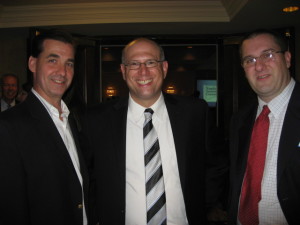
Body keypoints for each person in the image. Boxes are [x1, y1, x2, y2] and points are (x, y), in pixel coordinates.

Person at [81, 37, 226, 225]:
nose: (143, 71)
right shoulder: (96, 120)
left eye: (150, 62)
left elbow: (216, 164)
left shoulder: (195, 112)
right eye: (134, 64)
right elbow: (87, 178)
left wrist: (201, 205)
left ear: (164, 68)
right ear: (123, 71)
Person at [0, 29, 89, 225]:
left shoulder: (71, 119)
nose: (62, 72)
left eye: (69, 64)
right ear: (32, 63)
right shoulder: (8, 126)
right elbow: (10, 209)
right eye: (52, 60)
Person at [228, 29, 300, 225]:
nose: (259, 66)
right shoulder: (240, 120)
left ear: (287, 59)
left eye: (267, 55)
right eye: (249, 60)